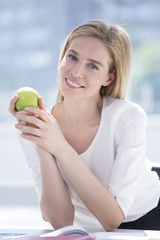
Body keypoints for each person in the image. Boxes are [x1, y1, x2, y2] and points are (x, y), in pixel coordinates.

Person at [9, 20, 160, 232]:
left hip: (148, 216)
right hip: (90, 227)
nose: (76, 72)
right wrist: (43, 141)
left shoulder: (129, 117)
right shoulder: (38, 124)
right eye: (72, 57)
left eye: (92, 65)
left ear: (109, 77)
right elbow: (61, 221)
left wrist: (60, 146)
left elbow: (112, 218)